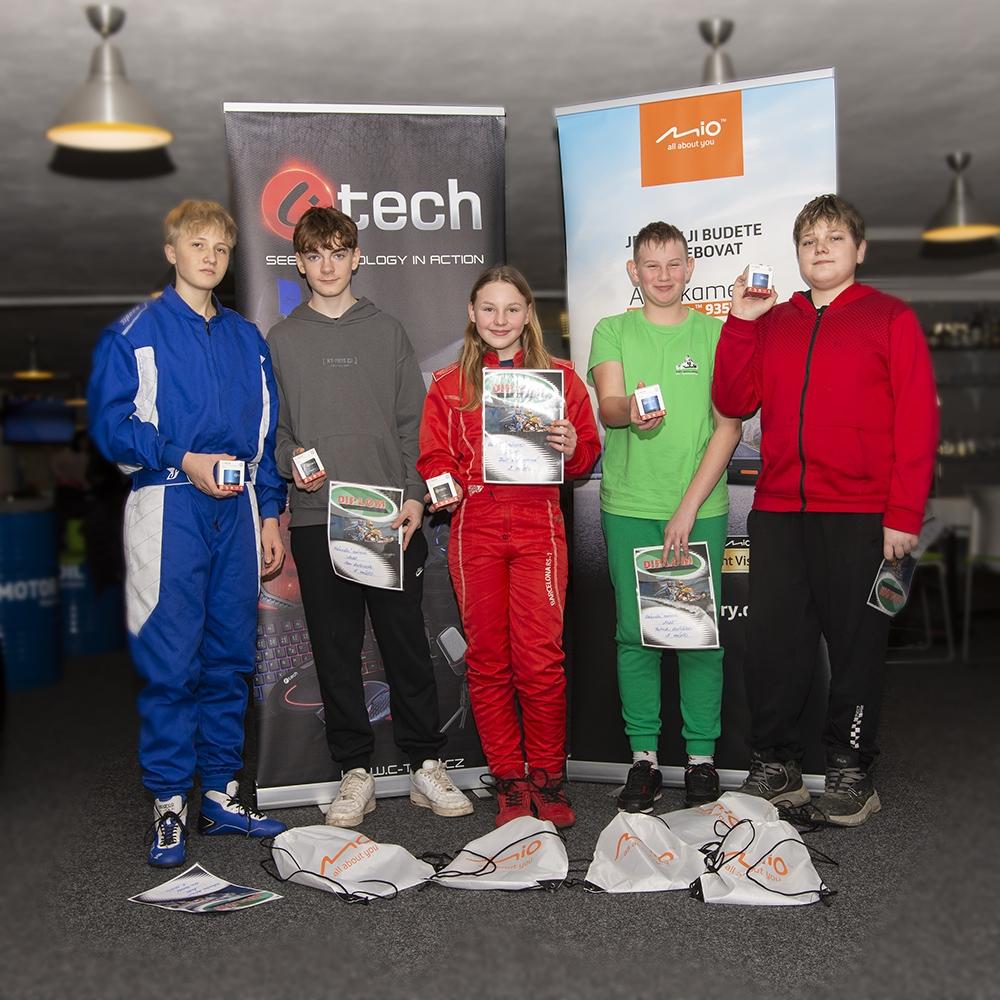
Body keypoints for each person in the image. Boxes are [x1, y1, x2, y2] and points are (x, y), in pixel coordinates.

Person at [712, 194, 939, 826]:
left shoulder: (890, 318)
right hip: (780, 512)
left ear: (859, 250)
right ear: (797, 253)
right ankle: (776, 764)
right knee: (774, 647)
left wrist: (904, 514)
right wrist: (740, 322)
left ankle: (851, 769)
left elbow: (917, 422)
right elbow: (732, 400)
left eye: (834, 238)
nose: (821, 248)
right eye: (809, 240)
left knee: (858, 647)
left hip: (863, 515)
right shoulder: (772, 321)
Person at [88, 199, 288, 867]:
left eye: (221, 248)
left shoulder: (247, 339)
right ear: (171, 251)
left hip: (237, 510)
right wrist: (182, 457)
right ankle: (170, 800)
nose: (210, 257)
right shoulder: (135, 332)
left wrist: (269, 513)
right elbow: (111, 428)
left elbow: (265, 435)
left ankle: (221, 795)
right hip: (169, 503)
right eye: (197, 244)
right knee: (171, 660)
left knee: (230, 657)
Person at [267, 205, 472, 826]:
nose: (327, 266)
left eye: (338, 253)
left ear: (356, 258)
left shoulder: (387, 331)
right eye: (314, 255)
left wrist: (414, 497)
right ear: (299, 264)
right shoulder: (282, 339)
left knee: (406, 645)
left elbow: (416, 426)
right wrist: (290, 459)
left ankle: (425, 763)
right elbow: (275, 434)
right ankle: (353, 771)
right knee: (336, 652)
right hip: (316, 518)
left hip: (390, 517)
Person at [418, 265, 601, 827]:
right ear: (472, 314)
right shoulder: (448, 384)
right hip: (474, 525)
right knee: (489, 661)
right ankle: (509, 781)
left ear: (528, 315)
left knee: (540, 660)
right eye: (489, 308)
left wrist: (571, 445)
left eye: (512, 309)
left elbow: (587, 455)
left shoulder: (560, 379)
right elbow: (433, 457)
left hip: (537, 523)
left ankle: (547, 777)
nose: (500, 319)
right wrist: (443, 485)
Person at [588, 221, 742, 814]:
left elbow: (729, 428)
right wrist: (630, 411)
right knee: (635, 635)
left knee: (699, 636)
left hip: (698, 508)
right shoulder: (612, 329)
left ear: (690, 267)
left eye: (674, 263)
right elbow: (608, 405)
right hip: (629, 504)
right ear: (634, 271)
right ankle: (644, 760)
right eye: (651, 265)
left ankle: (701, 759)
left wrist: (687, 509)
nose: (663, 275)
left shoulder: (716, 333)